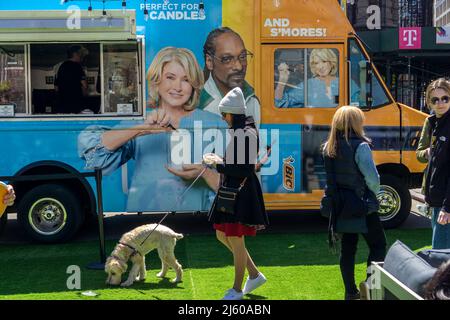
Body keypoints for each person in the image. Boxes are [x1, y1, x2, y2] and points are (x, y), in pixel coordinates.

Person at [78, 47, 227, 212]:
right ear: (157, 80)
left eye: (186, 80)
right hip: (144, 219)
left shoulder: (214, 123)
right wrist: (141, 130)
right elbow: (94, 154)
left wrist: (205, 174)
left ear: (193, 85)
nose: (177, 87)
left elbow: (240, 184)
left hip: (196, 221)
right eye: (170, 77)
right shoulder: (142, 121)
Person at [205, 87, 269, 300]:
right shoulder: (242, 130)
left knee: (234, 236)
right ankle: (254, 274)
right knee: (222, 234)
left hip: (240, 192)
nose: (223, 118)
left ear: (233, 113)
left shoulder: (245, 133)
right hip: (234, 189)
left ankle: (237, 290)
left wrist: (218, 165)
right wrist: (221, 163)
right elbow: (240, 164)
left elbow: (244, 169)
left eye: (225, 114)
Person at [322, 105, 386, 300]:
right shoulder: (361, 146)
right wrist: (374, 195)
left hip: (339, 205)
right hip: (362, 204)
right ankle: (371, 289)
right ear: (356, 123)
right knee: (378, 246)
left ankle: (351, 293)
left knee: (348, 248)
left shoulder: (328, 146)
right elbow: (373, 179)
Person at [199, 27, 261, 128]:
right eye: (227, 59)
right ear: (209, 62)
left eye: (243, 57)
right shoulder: (198, 104)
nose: (239, 66)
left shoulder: (252, 100)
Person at [275, 48, 360, 108]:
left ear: (331, 62)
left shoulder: (347, 83)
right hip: (315, 130)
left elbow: (359, 107)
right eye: (316, 63)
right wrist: (282, 80)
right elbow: (279, 103)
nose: (320, 67)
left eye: (324, 61)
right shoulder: (308, 85)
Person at [423, 78, 450, 249]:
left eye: (445, 98)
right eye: (435, 99)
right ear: (429, 102)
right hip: (436, 200)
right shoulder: (434, 123)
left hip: (445, 204)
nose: (440, 103)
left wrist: (447, 208)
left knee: (441, 256)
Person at [54, 45, 89, 114]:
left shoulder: (60, 66)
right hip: (75, 103)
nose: (82, 57)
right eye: (81, 54)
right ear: (75, 54)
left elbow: (56, 87)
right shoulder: (78, 67)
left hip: (62, 103)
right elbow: (84, 85)